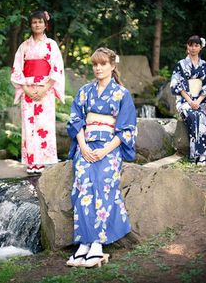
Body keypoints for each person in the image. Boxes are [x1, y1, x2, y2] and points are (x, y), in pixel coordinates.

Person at [66, 47, 137, 268]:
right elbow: (75, 120)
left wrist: (105, 151)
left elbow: (126, 130)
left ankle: (97, 243)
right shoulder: (85, 91)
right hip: (86, 145)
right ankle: (83, 244)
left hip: (109, 148)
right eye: (95, 64)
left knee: (102, 185)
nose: (98, 68)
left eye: (103, 64)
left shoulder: (122, 94)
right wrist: (83, 146)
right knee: (82, 187)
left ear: (112, 66)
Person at [10, 10, 65, 174]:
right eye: (34, 22)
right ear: (31, 25)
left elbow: (57, 68)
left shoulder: (51, 45)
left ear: (45, 24)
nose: (37, 25)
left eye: (40, 22)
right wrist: (25, 88)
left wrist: (46, 87)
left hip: (45, 90)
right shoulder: (24, 46)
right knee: (29, 126)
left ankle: (43, 161)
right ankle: (31, 162)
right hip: (27, 89)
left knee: (44, 125)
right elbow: (17, 68)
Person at [170, 35, 206, 166]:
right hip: (185, 100)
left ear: (200, 47)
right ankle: (197, 156)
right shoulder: (180, 65)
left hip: (202, 100)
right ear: (187, 47)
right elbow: (176, 84)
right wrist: (190, 101)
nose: (193, 48)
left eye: (196, 45)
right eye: (191, 45)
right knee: (195, 117)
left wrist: (198, 101)